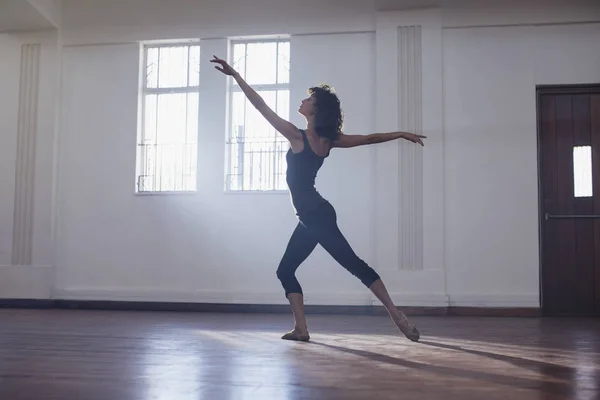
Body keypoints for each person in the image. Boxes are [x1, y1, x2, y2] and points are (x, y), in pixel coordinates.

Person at [211, 55, 425, 343]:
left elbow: (260, 106)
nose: (303, 100)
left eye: (308, 98)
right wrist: (398, 133)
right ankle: (301, 329)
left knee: (352, 264)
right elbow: (368, 138)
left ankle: (396, 315)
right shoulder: (327, 140)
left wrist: (236, 75)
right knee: (286, 269)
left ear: (316, 108)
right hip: (312, 216)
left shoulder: (298, 137)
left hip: (316, 216)